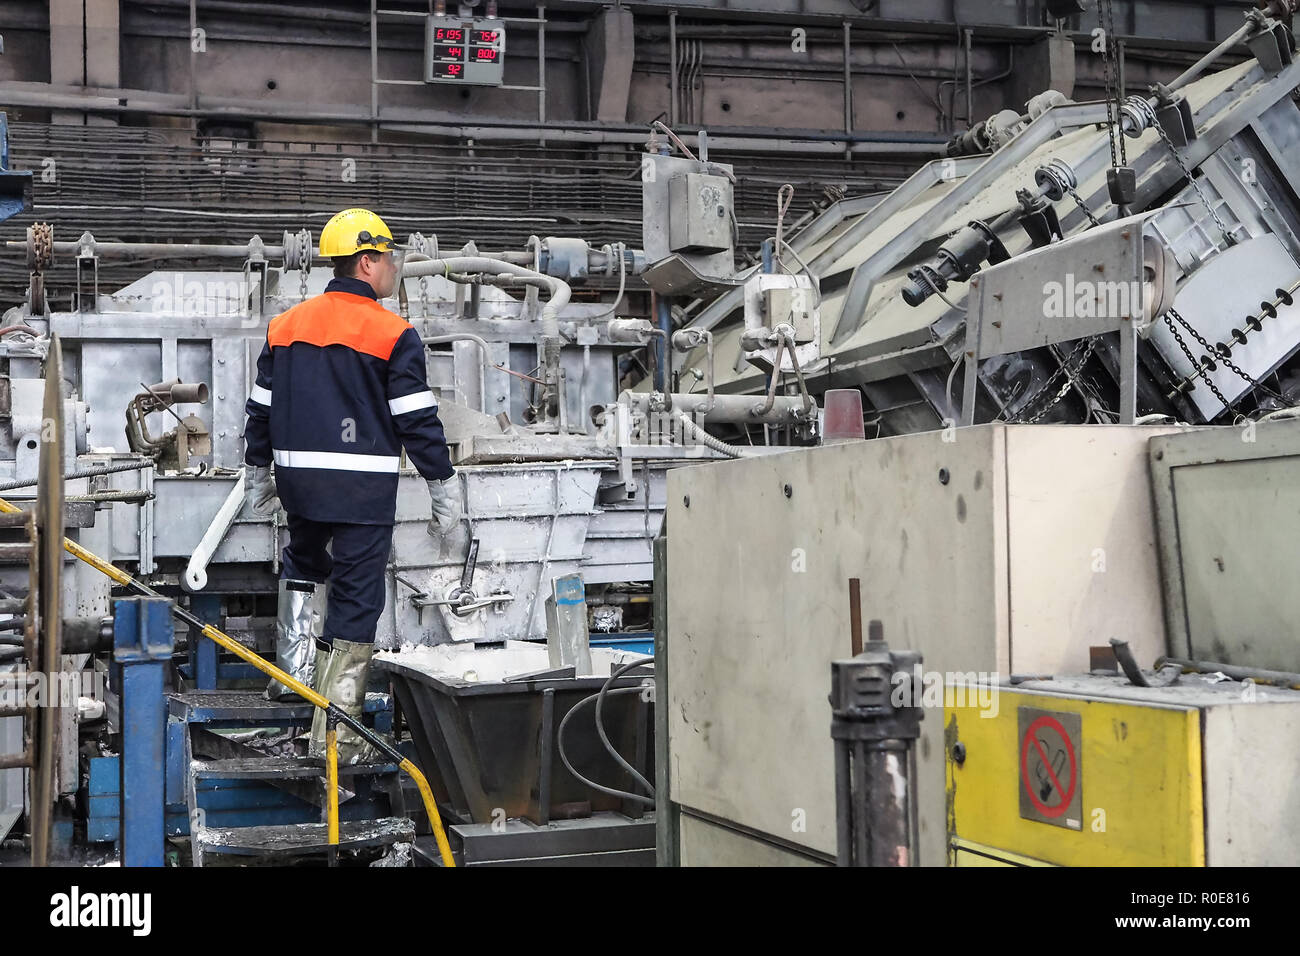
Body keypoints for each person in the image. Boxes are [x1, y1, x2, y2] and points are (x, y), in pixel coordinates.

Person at [242, 207, 460, 763]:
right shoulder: (393, 333)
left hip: (301, 489)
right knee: (356, 599)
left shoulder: (285, 326)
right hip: (361, 494)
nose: (395, 268)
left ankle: (289, 679)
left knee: (303, 563)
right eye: (390, 258)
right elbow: (415, 417)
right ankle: (333, 731)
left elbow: (261, 407)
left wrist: (255, 470)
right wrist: (442, 485)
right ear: (367, 262)